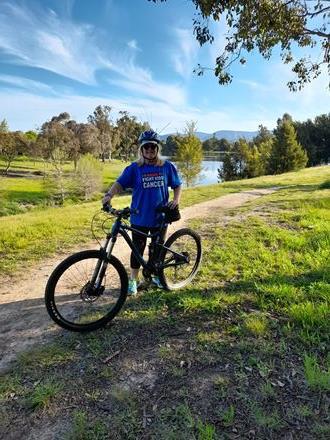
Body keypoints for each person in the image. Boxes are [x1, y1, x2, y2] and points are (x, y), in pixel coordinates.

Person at [102, 129, 182, 295]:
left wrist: (176, 200)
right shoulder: (134, 168)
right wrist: (109, 195)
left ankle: (155, 276)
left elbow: (177, 185)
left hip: (160, 218)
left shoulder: (166, 167)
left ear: (157, 149)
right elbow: (119, 184)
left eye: (153, 147)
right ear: (141, 149)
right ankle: (133, 280)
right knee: (137, 250)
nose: (150, 150)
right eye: (146, 147)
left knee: (157, 250)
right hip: (139, 216)